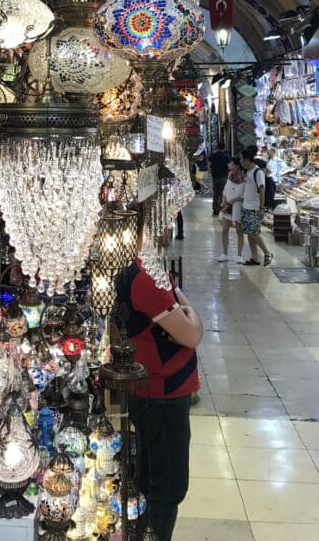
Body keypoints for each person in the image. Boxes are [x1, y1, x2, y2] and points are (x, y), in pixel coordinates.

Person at [115, 217, 203, 541]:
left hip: (160, 390)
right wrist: (189, 314)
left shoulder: (147, 268)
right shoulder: (144, 277)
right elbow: (192, 335)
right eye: (163, 221)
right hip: (160, 394)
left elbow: (178, 300)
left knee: (154, 479)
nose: (169, 229)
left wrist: (184, 310)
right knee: (167, 487)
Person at [240, 148, 274, 266]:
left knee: (253, 232)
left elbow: (262, 190)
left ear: (246, 160)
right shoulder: (248, 172)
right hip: (246, 206)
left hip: (254, 207)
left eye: (241, 159)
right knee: (249, 233)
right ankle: (254, 258)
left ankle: (267, 253)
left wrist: (261, 208)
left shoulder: (258, 172)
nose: (240, 162)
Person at [218, 157, 245, 263]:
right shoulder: (230, 175)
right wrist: (224, 200)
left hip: (238, 205)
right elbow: (226, 189)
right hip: (227, 205)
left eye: (232, 164)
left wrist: (235, 200)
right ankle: (224, 253)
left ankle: (239, 255)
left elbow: (244, 194)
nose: (229, 165)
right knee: (225, 229)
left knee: (239, 230)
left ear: (237, 166)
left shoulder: (244, 178)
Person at [208, 141, 229, 217]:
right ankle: (222, 209)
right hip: (224, 177)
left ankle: (215, 211)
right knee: (222, 194)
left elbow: (209, 165)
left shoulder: (212, 155)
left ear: (217, 147)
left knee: (216, 194)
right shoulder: (226, 156)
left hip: (215, 177)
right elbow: (229, 166)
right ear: (224, 148)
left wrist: (211, 173)